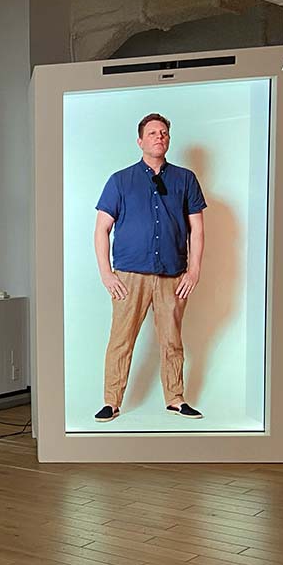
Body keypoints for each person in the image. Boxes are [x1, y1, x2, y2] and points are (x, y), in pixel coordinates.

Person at [93, 113, 206, 422]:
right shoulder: (120, 180)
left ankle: (176, 398)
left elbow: (197, 228)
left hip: (172, 274)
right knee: (121, 339)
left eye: (164, 132)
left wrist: (193, 270)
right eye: (153, 132)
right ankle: (111, 401)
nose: (160, 136)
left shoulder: (185, 179)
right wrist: (106, 273)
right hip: (130, 276)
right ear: (140, 141)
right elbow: (101, 228)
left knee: (172, 340)